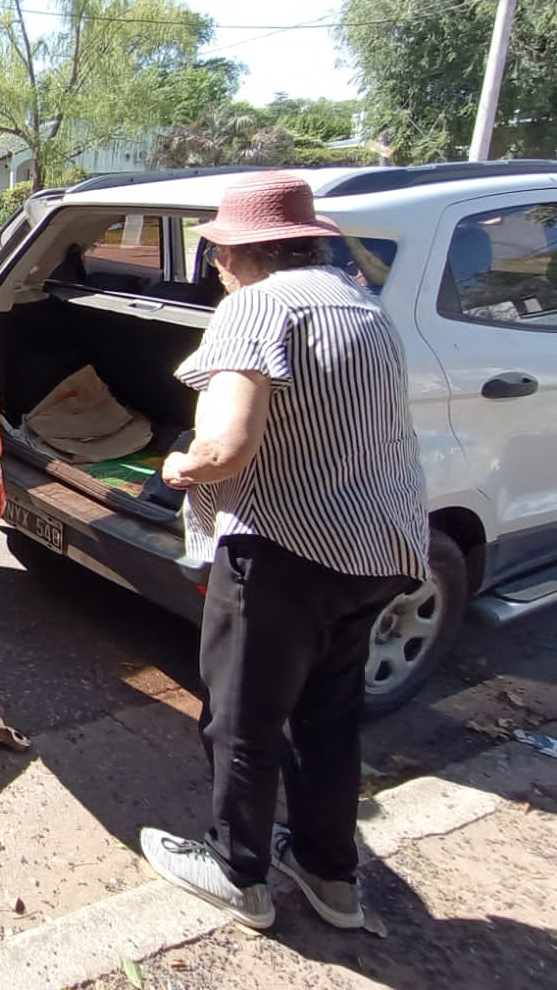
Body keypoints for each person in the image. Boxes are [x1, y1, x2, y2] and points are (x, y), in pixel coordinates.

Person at [138, 170, 429, 931]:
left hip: (288, 547)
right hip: (379, 545)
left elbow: (228, 444)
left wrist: (180, 468)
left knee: (242, 718)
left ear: (240, 252)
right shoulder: (359, 300)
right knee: (329, 713)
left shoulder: (257, 306)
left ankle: (237, 872)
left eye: (218, 252)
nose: (215, 266)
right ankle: (331, 874)